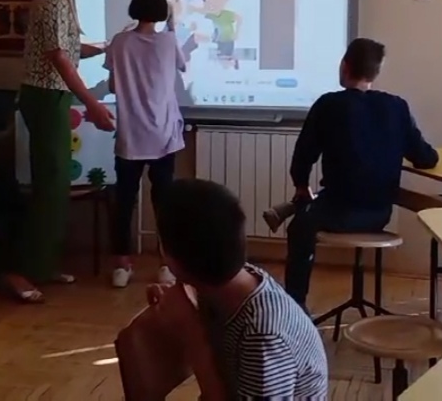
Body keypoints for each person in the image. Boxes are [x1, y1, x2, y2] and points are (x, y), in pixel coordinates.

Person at [278, 38, 438, 311]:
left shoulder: (328, 105)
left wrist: (301, 185)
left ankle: (296, 305)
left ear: (345, 66)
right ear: (376, 71)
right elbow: (425, 158)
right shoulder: (397, 107)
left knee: (299, 227)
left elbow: (303, 154)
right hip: (380, 214)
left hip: (338, 212)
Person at [147, 178, 328, 400]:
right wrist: (178, 301)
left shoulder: (263, 336)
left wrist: (193, 333)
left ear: (174, 261)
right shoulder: (236, 279)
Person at [9, 0, 114, 303]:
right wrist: (92, 104)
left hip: (52, 97)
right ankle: (20, 271)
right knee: (49, 187)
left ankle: (41, 265)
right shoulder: (52, 1)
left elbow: (69, 49)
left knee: (56, 187)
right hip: (45, 97)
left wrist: (105, 46)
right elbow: (60, 59)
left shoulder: (60, 1)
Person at [105, 0, 185, 289]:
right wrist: (173, 25)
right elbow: (181, 65)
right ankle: (166, 264)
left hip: (130, 135)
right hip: (164, 136)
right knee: (164, 203)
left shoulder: (120, 42)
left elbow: (113, 86)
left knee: (124, 201)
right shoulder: (168, 41)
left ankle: (121, 266)